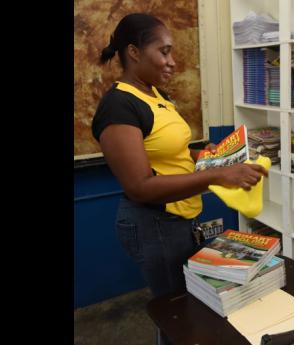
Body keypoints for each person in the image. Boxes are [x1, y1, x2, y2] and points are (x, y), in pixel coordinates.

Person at [91, 13, 267, 344]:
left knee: (187, 306)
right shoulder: (119, 106)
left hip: (179, 219)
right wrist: (218, 174)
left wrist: (210, 157)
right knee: (178, 314)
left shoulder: (159, 96)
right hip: (153, 223)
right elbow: (140, 186)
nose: (172, 62)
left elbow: (176, 156)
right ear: (134, 52)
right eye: (165, 52)